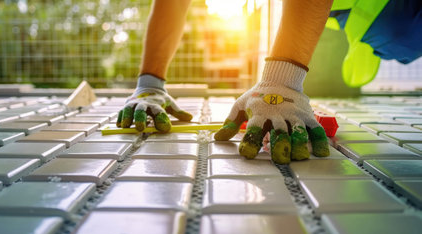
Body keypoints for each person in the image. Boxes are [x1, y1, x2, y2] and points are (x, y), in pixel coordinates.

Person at [117, 0, 421, 164]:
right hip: (366, 18)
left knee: (401, 30)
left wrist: (282, 81)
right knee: (397, 33)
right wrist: (150, 83)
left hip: (396, 17)